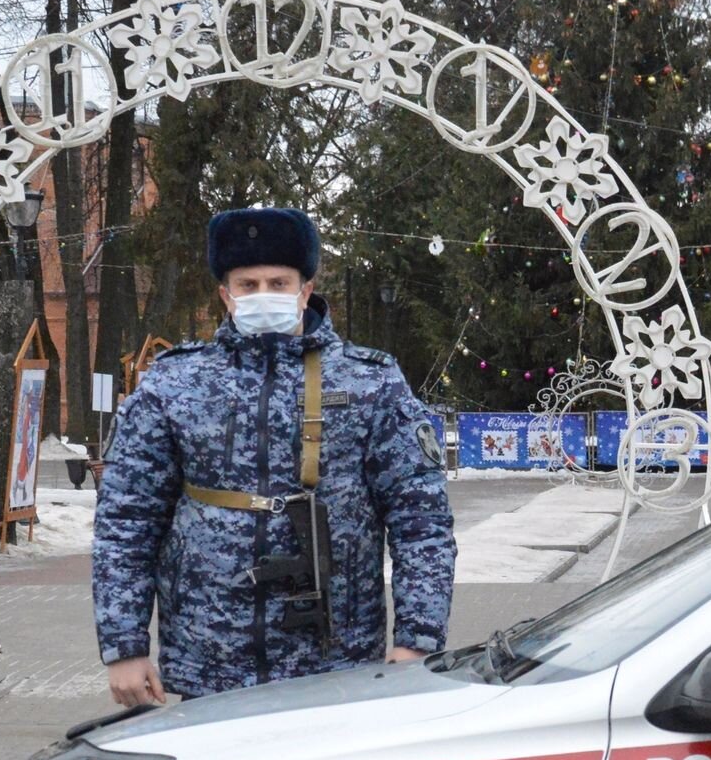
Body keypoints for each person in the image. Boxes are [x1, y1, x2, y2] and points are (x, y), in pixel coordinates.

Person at [93, 206, 455, 703]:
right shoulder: (174, 383)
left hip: (336, 659)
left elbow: (422, 521)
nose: (264, 295)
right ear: (225, 294)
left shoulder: (369, 381)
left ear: (305, 289)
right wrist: (124, 645)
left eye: (279, 282)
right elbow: (126, 521)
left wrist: (417, 640)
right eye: (248, 284)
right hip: (209, 659)